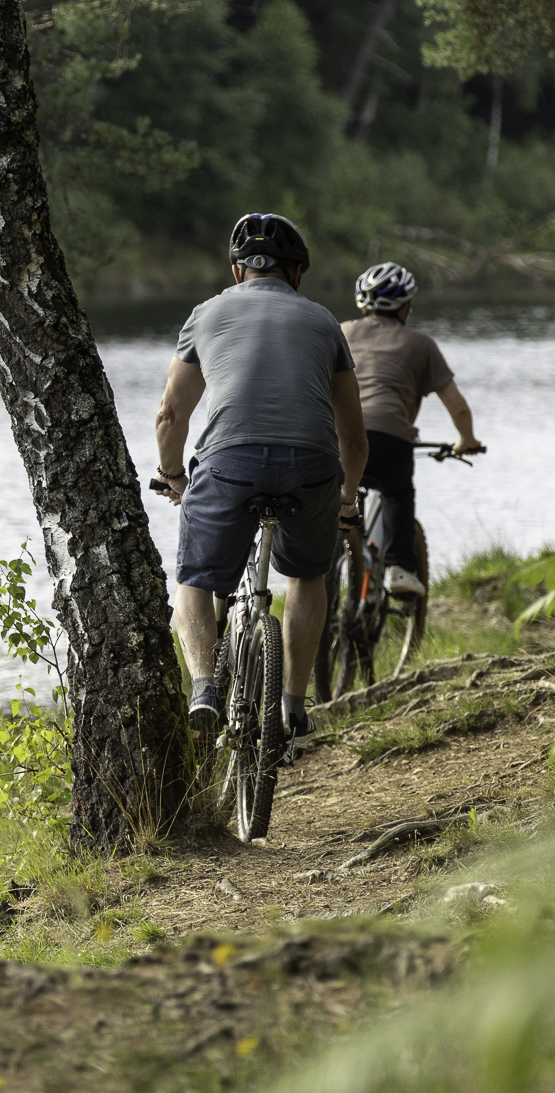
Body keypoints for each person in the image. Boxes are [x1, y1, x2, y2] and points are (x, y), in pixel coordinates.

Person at [155, 213, 369, 741]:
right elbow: (354, 439)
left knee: (196, 580)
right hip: (312, 468)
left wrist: (173, 476)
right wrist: (345, 501)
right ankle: (293, 707)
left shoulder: (205, 315)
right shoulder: (324, 322)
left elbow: (169, 416)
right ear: (296, 273)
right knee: (306, 578)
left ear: (236, 271)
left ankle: (204, 689)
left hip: (228, 465)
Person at [340, 262, 483, 596]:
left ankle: (324, 566)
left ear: (363, 305)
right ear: (406, 307)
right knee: (397, 492)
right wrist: (467, 440)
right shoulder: (421, 344)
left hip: (338, 438)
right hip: (391, 440)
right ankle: (399, 568)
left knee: (332, 499)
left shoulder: (340, 332)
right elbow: (458, 405)